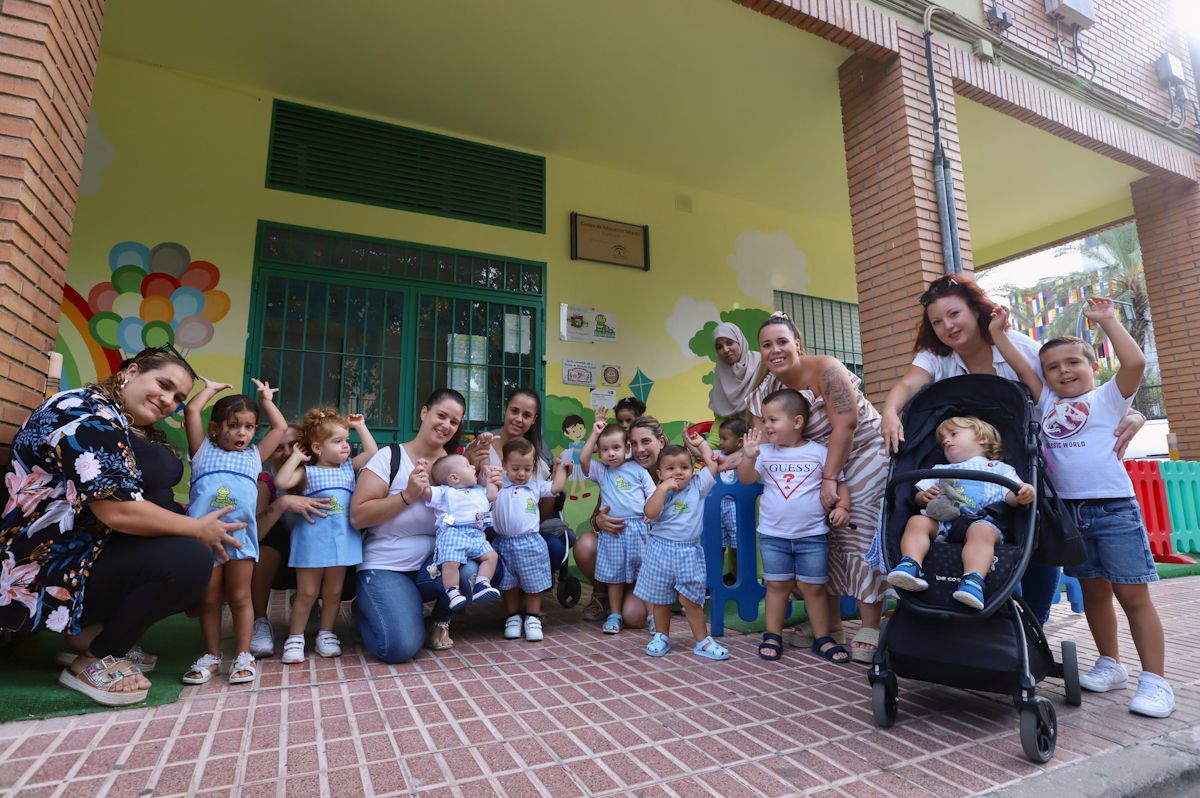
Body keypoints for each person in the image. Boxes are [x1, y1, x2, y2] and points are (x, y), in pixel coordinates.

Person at [880, 274, 1145, 626]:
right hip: (968, 457)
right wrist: (888, 412)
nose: (947, 326)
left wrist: (1132, 413)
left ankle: (1034, 621)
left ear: (976, 311)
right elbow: (908, 383)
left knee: (1030, 537)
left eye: (955, 314)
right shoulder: (937, 356)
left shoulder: (1016, 346)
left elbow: (1065, 387)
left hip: (1029, 453)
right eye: (937, 322)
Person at [1, 347, 243, 705]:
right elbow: (118, 512)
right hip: (39, 569)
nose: (169, 401)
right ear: (130, 372)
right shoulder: (86, 414)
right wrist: (195, 528)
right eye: (163, 385)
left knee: (183, 546)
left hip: (78, 555)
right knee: (188, 559)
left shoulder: (111, 416)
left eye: (178, 398)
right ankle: (95, 659)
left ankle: (88, 635)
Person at [994, 297, 1173, 718]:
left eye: (1073, 362)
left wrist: (1108, 321)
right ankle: (1111, 663)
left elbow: (1133, 365)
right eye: (1053, 366)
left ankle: (1156, 681)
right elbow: (1022, 368)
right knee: (1094, 592)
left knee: (1132, 595)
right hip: (1068, 515)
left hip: (1113, 510)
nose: (1063, 372)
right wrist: (999, 334)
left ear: (1093, 367)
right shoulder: (1045, 403)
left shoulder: (1109, 398)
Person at [749, 312, 888, 662]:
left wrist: (830, 479)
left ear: (797, 343)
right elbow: (761, 443)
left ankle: (871, 624)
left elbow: (848, 424)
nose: (775, 350)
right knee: (823, 539)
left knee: (858, 531)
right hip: (812, 463)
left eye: (782, 341)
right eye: (767, 345)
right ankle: (829, 625)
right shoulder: (764, 392)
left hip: (860, 454)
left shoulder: (826, 368)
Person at [350, 389, 489, 661]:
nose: (446, 425)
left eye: (454, 421)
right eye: (441, 415)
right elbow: (358, 516)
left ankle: (439, 620)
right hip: (386, 565)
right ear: (424, 413)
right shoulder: (390, 457)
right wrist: (407, 495)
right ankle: (369, 607)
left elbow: (474, 515)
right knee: (399, 648)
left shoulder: (456, 466)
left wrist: (487, 482)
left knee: (471, 569)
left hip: (431, 566)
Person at [181, 378, 288, 686]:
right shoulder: (202, 451)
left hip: (240, 539)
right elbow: (192, 410)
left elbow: (279, 429)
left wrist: (267, 400)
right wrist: (211, 389)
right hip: (204, 539)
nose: (242, 433)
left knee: (241, 597)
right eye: (233, 425)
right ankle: (212, 656)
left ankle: (243, 656)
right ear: (215, 428)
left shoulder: (254, 455)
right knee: (210, 597)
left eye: (250, 427)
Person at [739, 389, 851, 664]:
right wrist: (749, 456)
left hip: (812, 535)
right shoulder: (764, 453)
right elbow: (745, 479)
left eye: (772, 420)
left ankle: (823, 637)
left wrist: (842, 507)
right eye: (764, 421)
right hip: (772, 535)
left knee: (814, 588)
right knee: (777, 586)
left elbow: (840, 482)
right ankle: (772, 634)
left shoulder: (820, 453)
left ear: (797, 422)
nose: (765, 426)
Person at [886, 416, 1035, 610]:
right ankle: (910, 564)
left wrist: (1024, 493)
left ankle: (973, 581)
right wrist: (924, 497)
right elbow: (917, 497)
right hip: (943, 524)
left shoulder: (999, 469)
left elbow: (1011, 496)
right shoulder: (940, 469)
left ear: (982, 438)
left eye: (953, 434)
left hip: (983, 521)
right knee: (917, 520)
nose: (946, 441)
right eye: (942, 440)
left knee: (982, 531)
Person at [274, 408, 378, 664]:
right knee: (307, 592)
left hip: (341, 541)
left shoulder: (347, 470)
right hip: (312, 542)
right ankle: (296, 637)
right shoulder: (308, 473)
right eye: (338, 441)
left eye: (347, 441)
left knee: (333, 593)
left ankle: (326, 633)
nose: (346, 447)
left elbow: (372, 453)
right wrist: (296, 457)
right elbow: (282, 482)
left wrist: (360, 427)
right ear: (318, 448)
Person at [463, 388, 574, 581]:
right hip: (481, 532)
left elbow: (541, 514)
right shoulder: (481, 448)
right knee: (492, 571)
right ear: (505, 410)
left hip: (519, 535)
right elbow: (457, 492)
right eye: (514, 411)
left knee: (555, 548)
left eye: (527, 415)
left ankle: (529, 590)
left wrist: (554, 479)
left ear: (533, 420)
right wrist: (469, 461)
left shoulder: (535, 461)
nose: (519, 419)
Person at [636, 434, 729, 660]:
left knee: (691, 598)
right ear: (659, 474)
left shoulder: (698, 486)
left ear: (692, 470)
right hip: (659, 549)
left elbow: (712, 463)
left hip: (688, 550)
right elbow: (650, 513)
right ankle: (661, 636)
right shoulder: (660, 491)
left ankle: (702, 641)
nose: (678, 472)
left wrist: (702, 445)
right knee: (659, 598)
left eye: (684, 467)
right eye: (670, 469)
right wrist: (663, 488)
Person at [249, 425, 333, 659]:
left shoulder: (321, 473)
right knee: (269, 542)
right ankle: (259, 621)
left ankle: (308, 600)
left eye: (294, 445)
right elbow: (254, 536)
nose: (287, 452)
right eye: (278, 448)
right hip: (280, 561)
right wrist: (284, 504)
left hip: (316, 558)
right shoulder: (266, 483)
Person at [575, 415, 667, 627]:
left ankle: (655, 612)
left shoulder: (652, 471)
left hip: (643, 535)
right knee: (614, 573)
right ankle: (609, 605)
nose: (611, 453)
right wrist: (595, 433)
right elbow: (583, 460)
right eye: (635, 443)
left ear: (660, 442)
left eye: (646, 442)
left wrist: (652, 513)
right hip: (617, 534)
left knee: (636, 611)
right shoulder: (604, 472)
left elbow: (655, 499)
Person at [494, 437, 569, 641]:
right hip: (503, 543)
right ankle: (513, 617)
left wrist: (561, 468)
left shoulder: (535, 486)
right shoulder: (498, 484)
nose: (521, 474)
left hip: (530, 542)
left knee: (533, 583)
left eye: (527, 469)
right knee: (507, 584)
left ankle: (533, 617)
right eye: (516, 468)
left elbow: (555, 488)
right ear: (504, 465)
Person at [421, 454, 503, 610]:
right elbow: (425, 491)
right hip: (454, 534)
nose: (473, 467)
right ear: (454, 478)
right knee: (450, 563)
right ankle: (452, 592)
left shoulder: (478, 491)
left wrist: (491, 479)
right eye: (467, 465)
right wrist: (422, 475)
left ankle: (482, 583)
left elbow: (492, 495)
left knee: (492, 556)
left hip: (477, 535)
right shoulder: (444, 493)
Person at [715, 417, 747, 584]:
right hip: (719, 506)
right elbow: (701, 453)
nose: (720, 442)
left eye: (724, 439)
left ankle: (741, 575)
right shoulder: (718, 455)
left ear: (740, 441)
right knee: (718, 543)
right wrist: (692, 442)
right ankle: (714, 578)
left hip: (735, 506)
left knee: (738, 543)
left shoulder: (743, 459)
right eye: (719, 438)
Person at [709, 322, 762, 419]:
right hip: (734, 432)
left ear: (739, 341)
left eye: (729, 343)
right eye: (719, 347)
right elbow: (720, 420)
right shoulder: (720, 375)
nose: (725, 350)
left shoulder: (761, 363)